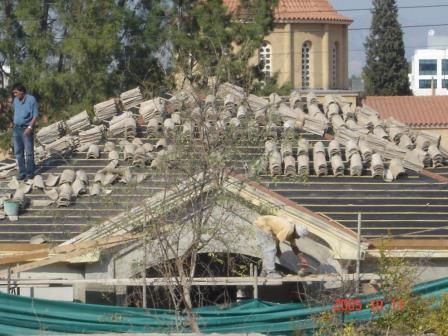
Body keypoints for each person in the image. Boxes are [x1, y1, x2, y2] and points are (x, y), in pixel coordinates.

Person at [11, 83, 38, 180]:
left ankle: (30, 173)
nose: (15, 94)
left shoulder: (31, 100)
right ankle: (22, 172)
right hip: (16, 129)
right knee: (18, 152)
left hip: (27, 128)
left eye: (16, 92)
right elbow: (15, 112)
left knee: (29, 152)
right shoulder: (15, 100)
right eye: (14, 93)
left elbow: (35, 115)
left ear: (22, 92)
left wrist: (30, 127)